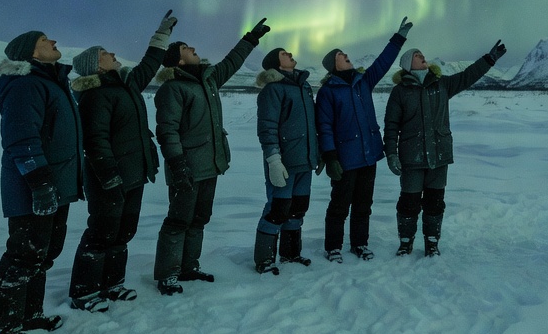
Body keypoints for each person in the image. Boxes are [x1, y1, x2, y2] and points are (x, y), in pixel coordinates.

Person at [65, 12, 178, 312]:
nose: (112, 53)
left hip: (134, 174)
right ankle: (84, 292)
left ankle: (112, 284)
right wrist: (109, 176)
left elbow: (149, 64)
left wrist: (161, 36)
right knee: (101, 233)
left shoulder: (125, 85)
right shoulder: (95, 95)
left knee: (124, 232)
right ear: (96, 65)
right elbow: (95, 141)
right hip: (109, 178)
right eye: (105, 53)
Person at [151, 18, 271, 295]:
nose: (193, 48)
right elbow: (167, 131)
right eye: (186, 48)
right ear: (179, 61)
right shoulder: (173, 89)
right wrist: (178, 164)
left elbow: (232, 62)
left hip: (210, 164)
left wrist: (250, 39)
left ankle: (188, 267)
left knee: (199, 218)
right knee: (178, 220)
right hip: (187, 167)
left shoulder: (208, 79)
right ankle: (167, 274)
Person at [0, 30, 80, 334]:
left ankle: (29, 315)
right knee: (23, 256)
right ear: (31, 53)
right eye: (45, 40)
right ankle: (1, 330)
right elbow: (21, 139)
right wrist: (40, 184)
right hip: (32, 188)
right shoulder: (26, 85)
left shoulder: (51, 82)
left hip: (55, 185)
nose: (54, 42)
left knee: (43, 254)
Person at [384, 38, 506, 257]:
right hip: (412, 158)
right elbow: (391, 126)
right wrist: (391, 154)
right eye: (416, 55)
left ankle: (432, 242)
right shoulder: (400, 92)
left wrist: (489, 60)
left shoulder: (441, 84)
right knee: (409, 203)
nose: (422, 56)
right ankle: (405, 242)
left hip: (439, 155)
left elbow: (467, 76)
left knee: (435, 202)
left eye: (422, 53)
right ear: (408, 64)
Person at [315, 17, 412, 262]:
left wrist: (398, 38)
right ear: (333, 65)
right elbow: (324, 127)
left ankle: (359, 244)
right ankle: (333, 247)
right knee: (339, 205)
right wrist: (330, 156)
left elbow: (383, 62)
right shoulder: (328, 92)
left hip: (369, 155)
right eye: (340, 55)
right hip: (345, 158)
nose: (346, 55)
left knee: (363, 205)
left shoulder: (363, 82)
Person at [252, 46, 318, 273]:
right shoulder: (273, 89)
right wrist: (273, 159)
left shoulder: (303, 86)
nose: (289, 54)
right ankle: (264, 259)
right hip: (284, 163)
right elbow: (267, 127)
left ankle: (290, 254)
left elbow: (311, 124)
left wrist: (317, 154)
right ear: (277, 64)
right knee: (277, 209)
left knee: (298, 208)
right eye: (283, 54)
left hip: (305, 160)